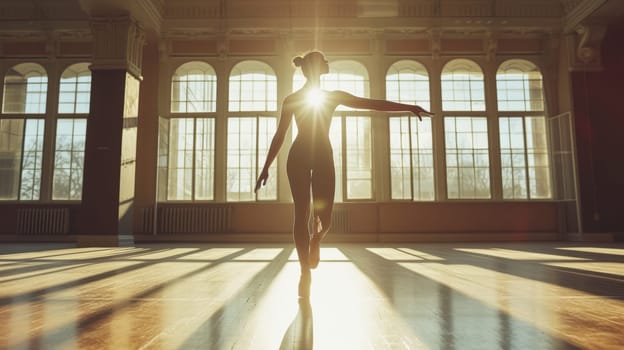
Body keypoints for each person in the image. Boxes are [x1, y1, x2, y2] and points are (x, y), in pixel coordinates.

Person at [255, 51, 431, 298]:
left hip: (323, 156)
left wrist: (408, 108)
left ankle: (316, 239)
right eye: (324, 61)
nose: (328, 63)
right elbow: (280, 135)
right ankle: (305, 271)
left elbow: (371, 104)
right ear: (315, 67)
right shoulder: (292, 99)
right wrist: (266, 167)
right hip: (299, 156)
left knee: (325, 219)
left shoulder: (332, 96)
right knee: (301, 212)